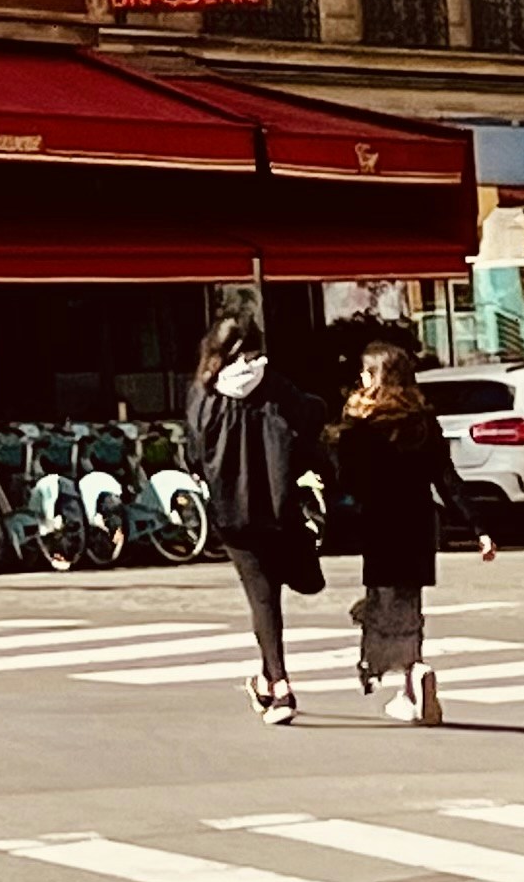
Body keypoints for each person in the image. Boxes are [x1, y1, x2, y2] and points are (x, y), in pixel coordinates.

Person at [331, 338, 491, 724]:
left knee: (384, 604)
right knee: (408, 603)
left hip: (379, 524)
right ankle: (411, 678)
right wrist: (479, 527)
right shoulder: (421, 421)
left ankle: (411, 674)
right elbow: (447, 479)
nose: (360, 378)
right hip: (419, 524)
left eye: (366, 372)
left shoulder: (361, 424)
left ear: (378, 376)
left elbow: (348, 480)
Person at [185, 309, 327, 722]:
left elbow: (194, 453)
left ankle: (279, 685)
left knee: (262, 595)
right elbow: (311, 420)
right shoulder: (276, 387)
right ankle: (268, 680)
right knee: (270, 594)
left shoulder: (204, 394)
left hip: (231, 511)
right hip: (278, 505)